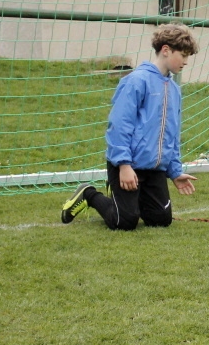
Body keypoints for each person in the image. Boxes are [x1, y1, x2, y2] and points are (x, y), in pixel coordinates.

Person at [61, 23, 200, 230]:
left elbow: (171, 135)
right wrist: (124, 165)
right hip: (129, 165)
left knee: (161, 220)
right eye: (183, 55)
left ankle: (135, 201)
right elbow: (119, 125)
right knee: (124, 222)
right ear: (165, 50)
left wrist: (174, 171)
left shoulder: (174, 90)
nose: (186, 62)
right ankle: (89, 194)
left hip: (154, 169)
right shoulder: (136, 81)